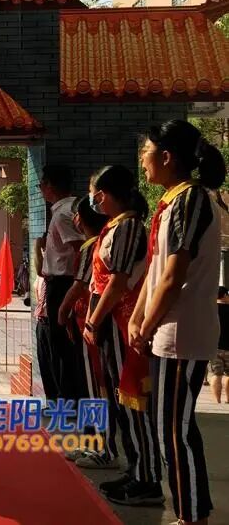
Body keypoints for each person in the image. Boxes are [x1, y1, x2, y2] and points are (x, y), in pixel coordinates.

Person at [129, 120, 226, 523]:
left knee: (174, 430)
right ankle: (192, 510)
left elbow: (173, 276)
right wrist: (138, 317)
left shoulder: (192, 200)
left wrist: (147, 325)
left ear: (166, 157)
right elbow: (155, 271)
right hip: (166, 331)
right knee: (171, 426)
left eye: (146, 152)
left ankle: (190, 515)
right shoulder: (172, 202)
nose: (142, 160)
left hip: (179, 332)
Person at [84, 165, 162, 506]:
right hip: (110, 323)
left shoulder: (129, 227)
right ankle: (136, 468)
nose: (94, 200)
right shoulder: (114, 227)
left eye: (96, 193)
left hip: (123, 323)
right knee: (120, 400)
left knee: (133, 402)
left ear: (108, 193)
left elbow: (116, 283)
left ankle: (148, 477)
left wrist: (93, 321)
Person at [58, 197, 117, 469]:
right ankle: (92, 440)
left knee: (95, 387)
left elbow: (81, 285)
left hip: (89, 323)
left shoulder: (92, 246)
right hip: (89, 322)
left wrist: (63, 309)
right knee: (92, 386)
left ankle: (99, 445)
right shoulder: (98, 243)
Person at [38, 165, 85, 402]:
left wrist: (79, 282)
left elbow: (80, 250)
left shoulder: (63, 214)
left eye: (42, 184)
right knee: (62, 345)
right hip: (63, 283)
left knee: (63, 346)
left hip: (64, 284)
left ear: (50, 186)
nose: (40, 189)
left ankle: (69, 399)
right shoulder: (70, 209)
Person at [211, 287, 229, 403]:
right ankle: (228, 399)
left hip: (214, 348)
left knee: (216, 374)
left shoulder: (211, 310)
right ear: (225, 295)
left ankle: (217, 401)